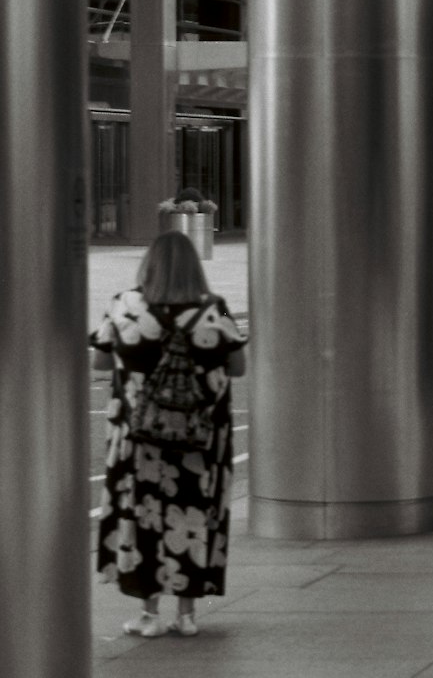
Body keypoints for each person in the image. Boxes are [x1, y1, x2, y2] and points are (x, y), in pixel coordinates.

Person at [90, 230, 248, 639]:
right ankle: (188, 612)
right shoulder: (216, 309)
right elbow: (238, 366)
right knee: (193, 514)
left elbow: (100, 361)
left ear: (149, 265)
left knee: (142, 516)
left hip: (139, 438)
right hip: (200, 438)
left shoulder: (124, 304)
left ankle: (147, 613)